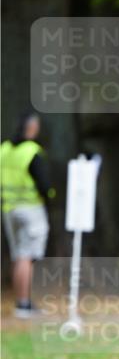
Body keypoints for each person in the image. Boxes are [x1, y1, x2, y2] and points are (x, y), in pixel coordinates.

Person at [1, 112, 53, 318]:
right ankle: (24, 304)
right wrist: (51, 197)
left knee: (18, 256)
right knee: (27, 256)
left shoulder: (4, 149)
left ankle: (21, 301)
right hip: (31, 209)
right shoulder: (31, 151)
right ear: (32, 128)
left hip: (9, 209)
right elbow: (44, 184)